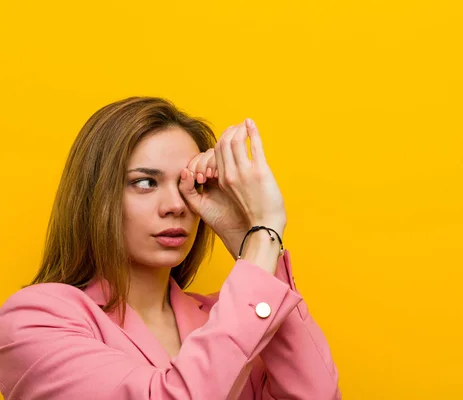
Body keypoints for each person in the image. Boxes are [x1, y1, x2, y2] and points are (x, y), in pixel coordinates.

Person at [0, 97, 340, 399]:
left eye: (187, 184)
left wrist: (247, 238)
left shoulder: (228, 316)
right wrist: (265, 233)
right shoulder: (33, 322)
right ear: (95, 198)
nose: (175, 206)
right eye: (145, 183)